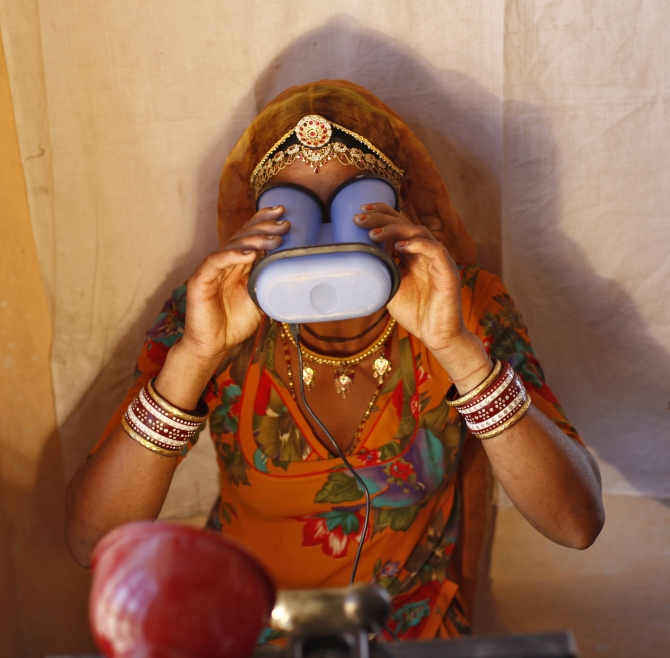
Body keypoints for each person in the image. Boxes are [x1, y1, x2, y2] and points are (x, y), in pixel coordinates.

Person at [65, 80, 604, 641]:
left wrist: (456, 349)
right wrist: (196, 358)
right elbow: (89, 540)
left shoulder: (464, 304)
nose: (324, 237)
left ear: (401, 208)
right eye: (291, 212)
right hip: (248, 626)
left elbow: (576, 524)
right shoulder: (212, 309)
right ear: (258, 225)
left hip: (408, 636)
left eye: (353, 206)